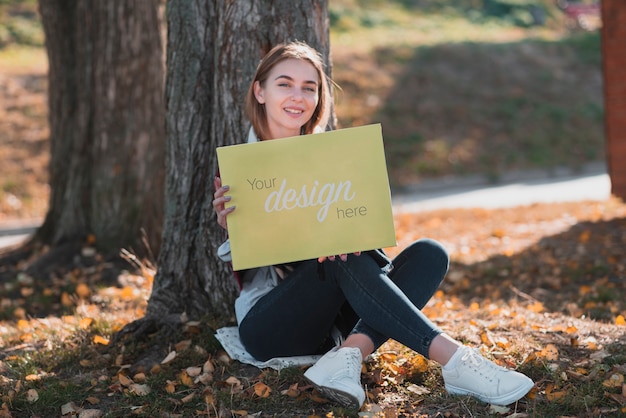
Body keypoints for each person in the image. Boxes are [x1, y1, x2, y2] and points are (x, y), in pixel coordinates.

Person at [212, 41, 534, 409]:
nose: (297, 96)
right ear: (260, 91)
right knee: (334, 258)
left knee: (430, 253)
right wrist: (233, 228)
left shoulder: (336, 159)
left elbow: (369, 253)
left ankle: (347, 356)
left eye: (309, 87)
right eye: (284, 83)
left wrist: (353, 235)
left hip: (340, 312)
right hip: (275, 324)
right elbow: (256, 269)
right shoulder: (241, 169)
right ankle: (456, 360)